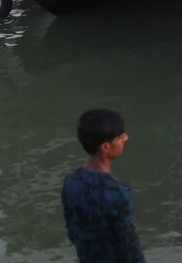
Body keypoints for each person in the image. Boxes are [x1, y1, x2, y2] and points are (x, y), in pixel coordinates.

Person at [62, 108, 145, 263]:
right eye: (120, 137)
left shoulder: (71, 181)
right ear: (105, 147)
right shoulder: (119, 191)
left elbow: (72, 230)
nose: (126, 138)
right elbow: (129, 244)